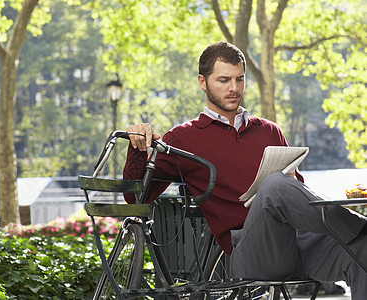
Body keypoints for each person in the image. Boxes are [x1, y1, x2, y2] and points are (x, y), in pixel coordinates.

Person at [123, 41, 367, 299]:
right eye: (224, 80)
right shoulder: (183, 138)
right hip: (253, 254)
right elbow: (137, 198)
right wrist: (137, 148)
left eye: (240, 79)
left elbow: (300, 198)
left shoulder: (269, 130)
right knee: (273, 186)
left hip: (301, 245)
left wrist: (294, 182)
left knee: (363, 249)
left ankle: (361, 232)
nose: (234, 88)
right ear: (202, 82)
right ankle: (360, 224)